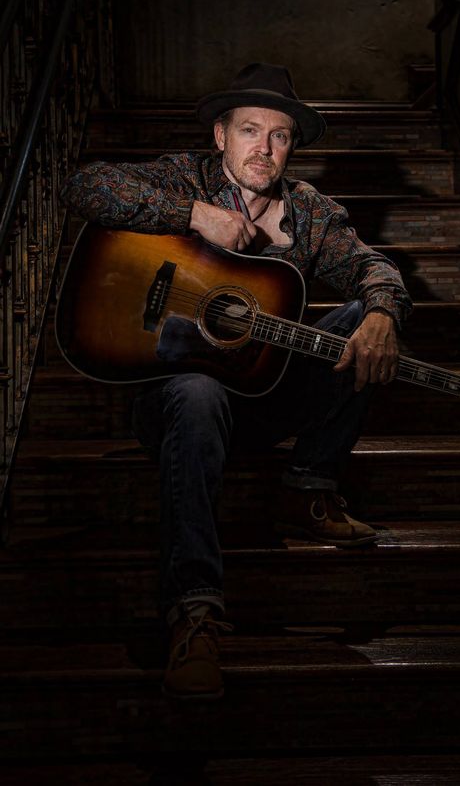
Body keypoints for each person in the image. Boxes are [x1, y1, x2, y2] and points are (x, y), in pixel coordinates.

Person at [61, 63, 412, 701]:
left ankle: (309, 486)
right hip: (178, 406)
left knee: (361, 324)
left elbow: (373, 266)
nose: (264, 149)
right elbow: (85, 185)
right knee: (198, 390)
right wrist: (194, 214)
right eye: (250, 130)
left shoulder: (308, 211)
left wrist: (384, 312)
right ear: (221, 136)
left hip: (262, 398)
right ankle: (194, 613)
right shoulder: (185, 178)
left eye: (280, 136)